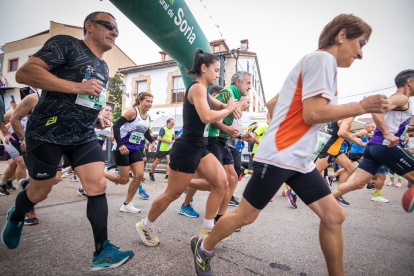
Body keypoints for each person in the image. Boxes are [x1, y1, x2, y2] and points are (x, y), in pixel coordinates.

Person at [190, 14, 388, 276]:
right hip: (279, 156)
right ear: (342, 35)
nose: (361, 54)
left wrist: (281, 125)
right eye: (360, 43)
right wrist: (362, 106)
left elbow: (273, 104)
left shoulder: (313, 63)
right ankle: (203, 247)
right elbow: (313, 114)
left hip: (300, 160)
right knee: (247, 216)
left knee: (334, 216)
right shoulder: (322, 59)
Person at [1, 12, 134, 270]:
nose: (115, 32)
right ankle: (17, 216)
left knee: (97, 185)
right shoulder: (67, 44)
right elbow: (26, 73)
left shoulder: (104, 67)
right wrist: (77, 87)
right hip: (46, 133)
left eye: (118, 29)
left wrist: (96, 117)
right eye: (109, 26)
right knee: (41, 189)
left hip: (82, 135)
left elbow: (86, 100)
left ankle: (102, 252)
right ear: (90, 26)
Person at [136, 48, 240, 247]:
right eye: (216, 70)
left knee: (222, 183)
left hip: (200, 148)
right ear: (204, 68)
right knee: (173, 194)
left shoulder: (205, 91)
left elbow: (217, 105)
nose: (218, 74)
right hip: (186, 149)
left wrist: (233, 105)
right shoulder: (197, 88)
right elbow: (207, 117)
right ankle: (145, 225)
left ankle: (208, 228)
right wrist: (228, 108)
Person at [332, 69, 414, 213]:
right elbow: (376, 109)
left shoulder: (398, 100)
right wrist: (387, 134)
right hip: (385, 146)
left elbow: (397, 126)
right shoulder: (402, 98)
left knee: (357, 183)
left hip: (373, 148)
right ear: (410, 82)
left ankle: (323, 202)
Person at [105, 92, 156, 212]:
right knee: (123, 180)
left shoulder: (147, 116)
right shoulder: (132, 112)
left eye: (151, 102)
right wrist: (121, 144)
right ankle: (100, 173)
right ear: (140, 101)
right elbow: (116, 126)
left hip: (135, 148)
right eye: (147, 101)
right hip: (123, 148)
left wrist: (152, 142)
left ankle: (127, 205)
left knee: (139, 175)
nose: (150, 104)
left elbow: (145, 132)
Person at [149, 118, 175, 182]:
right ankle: (151, 173)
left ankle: (167, 176)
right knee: (157, 162)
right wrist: (168, 141)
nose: (173, 125)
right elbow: (158, 138)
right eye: (172, 124)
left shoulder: (171, 129)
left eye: (174, 124)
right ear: (168, 123)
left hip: (168, 149)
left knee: (170, 162)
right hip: (161, 149)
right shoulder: (163, 129)